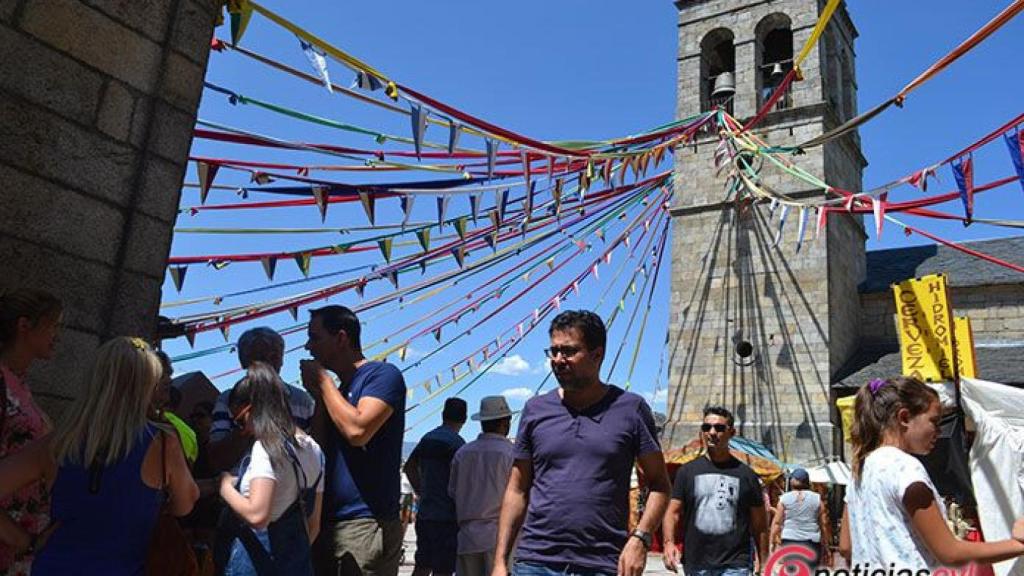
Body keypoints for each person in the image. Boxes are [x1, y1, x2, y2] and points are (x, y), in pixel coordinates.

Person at [0, 336, 199, 574]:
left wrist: (26, 541)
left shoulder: (58, 443)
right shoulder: (163, 443)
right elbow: (184, 506)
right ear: (147, 386)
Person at [493, 310, 671, 576]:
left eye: (568, 351)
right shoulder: (535, 410)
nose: (558, 360)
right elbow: (517, 489)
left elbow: (660, 485)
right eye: (553, 351)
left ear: (597, 355)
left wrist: (640, 539)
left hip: (602, 564)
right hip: (535, 562)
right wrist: (499, 562)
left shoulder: (630, 409)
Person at [839, 376, 1024, 570]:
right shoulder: (905, 468)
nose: (938, 431)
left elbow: (845, 546)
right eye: (934, 421)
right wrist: (1017, 545)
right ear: (904, 418)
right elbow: (950, 553)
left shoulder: (860, 468)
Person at [300, 305, 407, 576]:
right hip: (329, 521)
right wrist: (321, 396)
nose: (308, 347)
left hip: (365, 523)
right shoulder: (338, 391)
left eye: (315, 337)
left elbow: (358, 431)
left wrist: (323, 382)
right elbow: (320, 451)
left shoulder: (382, 375)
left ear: (341, 338)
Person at [216, 362, 325, 575]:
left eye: (241, 421)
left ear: (254, 408)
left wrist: (224, 487)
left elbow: (258, 516)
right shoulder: (314, 450)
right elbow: (313, 526)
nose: (243, 431)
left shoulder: (265, 448)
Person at [662, 406, 768, 576]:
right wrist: (668, 543)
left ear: (731, 433)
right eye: (706, 427)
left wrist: (764, 561)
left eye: (719, 428)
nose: (712, 432)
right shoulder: (687, 472)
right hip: (696, 563)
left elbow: (760, 525)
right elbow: (672, 512)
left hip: (735, 565)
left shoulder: (746, 475)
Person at [0, 288, 62, 575]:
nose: (57, 335)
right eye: (53, 325)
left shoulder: (19, 386)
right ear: (25, 326)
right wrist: (24, 541)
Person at [208, 327, 316, 473]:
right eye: (260, 358)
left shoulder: (301, 400)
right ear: (243, 362)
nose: (269, 363)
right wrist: (246, 428)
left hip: (292, 490)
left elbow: (313, 456)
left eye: (274, 356)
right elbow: (217, 459)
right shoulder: (228, 400)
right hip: (243, 490)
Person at [448, 396, 516, 576]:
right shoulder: (511, 454)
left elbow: (453, 492)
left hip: (467, 538)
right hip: (499, 537)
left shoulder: (463, 453)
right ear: (504, 423)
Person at [404, 398, 467, 576]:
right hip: (447, 516)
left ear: (442, 414)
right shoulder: (458, 444)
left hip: (426, 512)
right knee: (444, 569)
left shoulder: (428, 438)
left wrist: (422, 491)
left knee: (422, 564)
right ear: (464, 418)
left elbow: (409, 466)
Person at [769, 468, 830, 567]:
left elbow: (777, 523)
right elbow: (823, 524)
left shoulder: (784, 499)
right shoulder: (817, 499)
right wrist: (826, 546)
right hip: (811, 542)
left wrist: (772, 542)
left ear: (793, 481)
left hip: (790, 540)